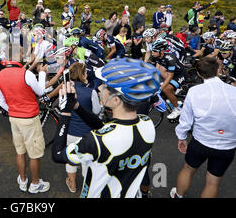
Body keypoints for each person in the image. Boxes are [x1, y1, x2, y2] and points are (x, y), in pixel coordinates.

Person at [52, 58, 161, 198]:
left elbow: (58, 155)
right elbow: (105, 127)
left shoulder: (97, 141)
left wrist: (66, 113)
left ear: (116, 99)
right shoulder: (147, 123)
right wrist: (77, 107)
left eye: (104, 86)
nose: (99, 88)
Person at [170, 57, 236, 198]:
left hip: (201, 142)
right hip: (228, 146)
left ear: (199, 74)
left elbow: (186, 120)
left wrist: (181, 138)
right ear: (218, 70)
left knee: (188, 170)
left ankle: (179, 195)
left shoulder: (195, 91)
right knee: (213, 183)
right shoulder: (233, 91)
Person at [0, 61, 50, 194]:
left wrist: (13, 110)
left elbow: (0, 100)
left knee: (20, 151)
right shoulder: (27, 74)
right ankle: (35, 184)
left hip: (14, 118)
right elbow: (41, 91)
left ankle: (23, 180)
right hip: (29, 118)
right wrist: (42, 73)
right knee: (34, 153)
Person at [64, 62, 101, 193]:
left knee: (71, 159)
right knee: (87, 162)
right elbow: (96, 111)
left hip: (70, 132)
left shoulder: (65, 90)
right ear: (82, 74)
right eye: (85, 72)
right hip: (87, 134)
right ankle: (87, 188)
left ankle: (72, 184)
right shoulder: (91, 92)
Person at [149, 38, 186, 120]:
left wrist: (161, 87)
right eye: (152, 50)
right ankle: (173, 97)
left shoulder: (170, 59)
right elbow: (156, 70)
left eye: (155, 51)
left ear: (161, 51)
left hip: (180, 74)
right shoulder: (156, 56)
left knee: (166, 89)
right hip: (171, 74)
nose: (152, 53)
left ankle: (177, 109)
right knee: (161, 85)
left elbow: (170, 76)